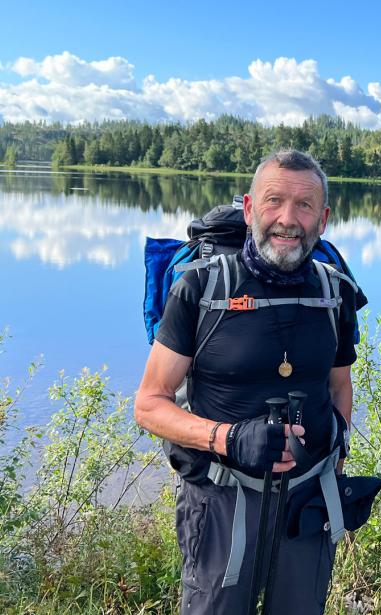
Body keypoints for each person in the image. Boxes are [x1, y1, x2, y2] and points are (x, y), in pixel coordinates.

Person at [134, 149, 361, 614]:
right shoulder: (200, 288)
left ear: (324, 217)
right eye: (274, 201)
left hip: (308, 500)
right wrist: (228, 438)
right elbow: (149, 404)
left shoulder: (333, 291)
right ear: (250, 208)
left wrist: (336, 450)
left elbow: (339, 385)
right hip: (222, 498)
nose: (287, 219)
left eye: (304, 205)